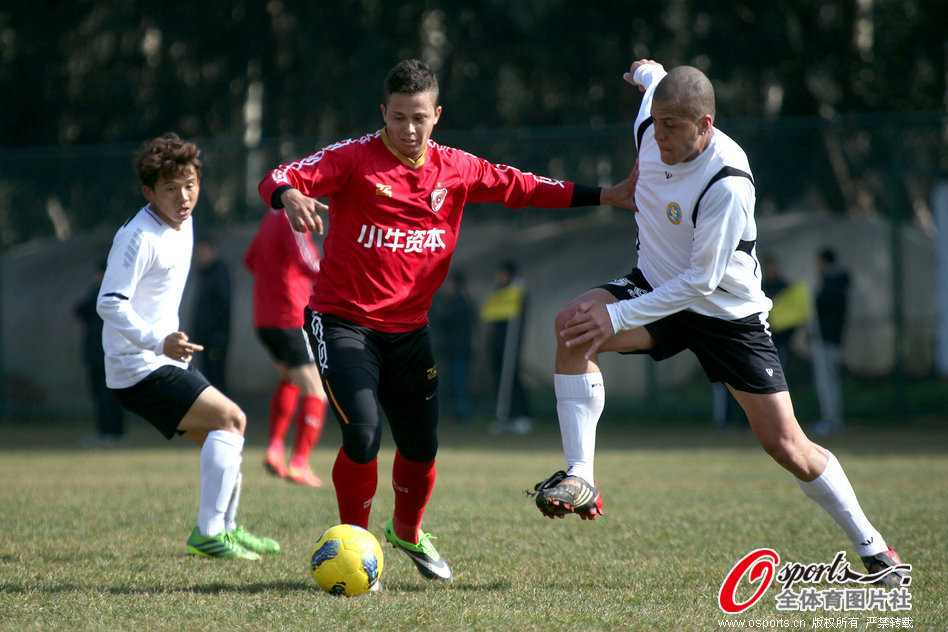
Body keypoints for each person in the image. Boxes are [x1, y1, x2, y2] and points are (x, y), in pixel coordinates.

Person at [257, 59, 636, 583]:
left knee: (421, 447)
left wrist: (607, 195)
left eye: (419, 118)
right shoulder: (353, 158)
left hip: (410, 329)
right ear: (382, 114)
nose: (408, 129)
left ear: (436, 115)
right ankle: (357, 545)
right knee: (363, 434)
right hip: (343, 322)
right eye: (397, 118)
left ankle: (408, 532)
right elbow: (278, 176)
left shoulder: (455, 168)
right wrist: (291, 194)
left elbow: (523, 186)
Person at [530, 60, 905, 586]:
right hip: (657, 286)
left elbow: (700, 284)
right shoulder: (651, 124)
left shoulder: (728, 181)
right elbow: (651, 87)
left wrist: (615, 313)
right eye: (656, 122)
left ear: (705, 125)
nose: (658, 135)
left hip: (725, 314)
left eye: (673, 126)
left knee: (787, 446)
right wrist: (647, 72)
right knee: (572, 326)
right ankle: (582, 476)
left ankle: (871, 547)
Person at [97, 133, 279, 560]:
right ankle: (210, 533)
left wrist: (166, 341)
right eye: (171, 188)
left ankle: (227, 529)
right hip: (137, 365)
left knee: (226, 434)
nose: (184, 196)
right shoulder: (138, 237)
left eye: (191, 184)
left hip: (162, 358)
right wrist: (157, 339)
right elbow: (109, 302)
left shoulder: (185, 222)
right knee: (232, 418)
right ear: (149, 192)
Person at [244, 207, 328, 487]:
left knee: (289, 380)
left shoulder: (268, 216)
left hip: (264, 319)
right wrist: (343, 271)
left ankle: (275, 448)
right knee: (317, 390)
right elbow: (308, 263)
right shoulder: (292, 218)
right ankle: (299, 463)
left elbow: (250, 260)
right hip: (290, 316)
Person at [74, 258, 126, 447]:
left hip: (105, 352)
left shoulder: (107, 293)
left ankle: (112, 433)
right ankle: (108, 432)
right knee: (102, 394)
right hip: (99, 353)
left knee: (108, 395)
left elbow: (82, 308)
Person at [481, 260, 532, 434]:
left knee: (512, 378)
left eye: (502, 274)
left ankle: (523, 415)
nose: (499, 277)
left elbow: (518, 317)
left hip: (510, 344)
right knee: (499, 378)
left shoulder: (517, 292)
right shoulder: (498, 292)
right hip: (496, 344)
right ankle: (506, 416)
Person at [809, 247, 850, 436]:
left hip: (827, 340)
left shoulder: (832, 284)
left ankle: (831, 419)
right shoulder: (837, 283)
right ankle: (831, 418)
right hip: (831, 340)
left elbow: (824, 308)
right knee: (828, 381)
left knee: (827, 382)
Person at [429, 270, 475, 423]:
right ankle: (459, 414)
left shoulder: (460, 304)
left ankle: (464, 414)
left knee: (459, 383)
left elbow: (443, 320)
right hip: (453, 351)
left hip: (459, 351)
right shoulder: (460, 302)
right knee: (454, 383)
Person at [191, 236, 231, 394]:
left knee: (216, 381)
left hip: (215, 340)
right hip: (205, 340)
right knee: (207, 379)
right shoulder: (205, 274)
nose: (200, 255)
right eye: (198, 252)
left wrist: (211, 332)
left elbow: (221, 306)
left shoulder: (218, 274)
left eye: (204, 251)